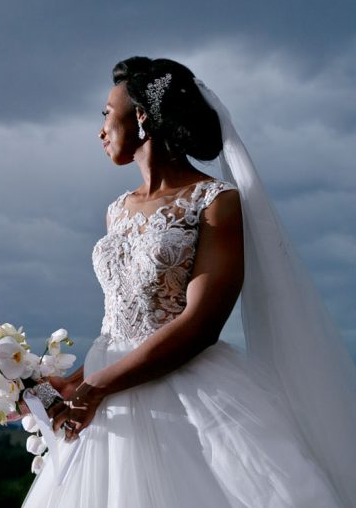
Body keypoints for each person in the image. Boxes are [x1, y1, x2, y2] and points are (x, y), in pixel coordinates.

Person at [20, 57, 356, 507]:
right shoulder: (117, 209)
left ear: (141, 115)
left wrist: (96, 388)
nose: (100, 129)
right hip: (107, 393)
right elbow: (122, 323)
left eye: (106, 113)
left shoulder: (215, 202)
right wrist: (65, 384)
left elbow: (202, 322)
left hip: (185, 391)